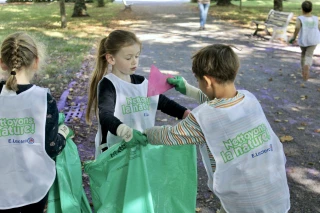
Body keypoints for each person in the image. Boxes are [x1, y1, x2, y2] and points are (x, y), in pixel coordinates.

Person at [144, 44, 291, 213]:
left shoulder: (201, 119)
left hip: (242, 202)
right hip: (275, 193)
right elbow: (221, 106)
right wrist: (189, 90)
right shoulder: (248, 98)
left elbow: (168, 136)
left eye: (198, 81)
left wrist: (144, 133)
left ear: (206, 81)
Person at [85, 29, 190, 157]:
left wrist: (186, 114)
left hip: (142, 151)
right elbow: (105, 115)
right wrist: (125, 132)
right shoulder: (108, 84)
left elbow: (162, 102)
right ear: (111, 58)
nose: (134, 61)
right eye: (128, 58)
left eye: (137, 56)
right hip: (116, 154)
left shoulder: (142, 82)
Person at [0, 32, 74, 213]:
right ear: (36, 62)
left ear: (2, 62)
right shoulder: (43, 99)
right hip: (34, 188)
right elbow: (52, 147)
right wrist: (64, 131)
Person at [289, 0, 320, 81]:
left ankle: (303, 69)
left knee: (303, 54)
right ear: (311, 9)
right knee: (309, 55)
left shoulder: (300, 18)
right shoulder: (316, 18)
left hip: (304, 40)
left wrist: (294, 37)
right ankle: (307, 65)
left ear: (302, 9)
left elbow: (297, 28)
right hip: (314, 39)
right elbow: (319, 28)